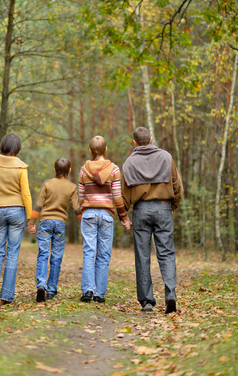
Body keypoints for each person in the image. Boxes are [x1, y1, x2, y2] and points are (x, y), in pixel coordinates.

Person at [121, 126, 183, 314]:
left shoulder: (129, 163)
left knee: (142, 256)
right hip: (163, 207)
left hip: (141, 210)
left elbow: (124, 195)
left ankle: (147, 302)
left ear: (134, 142)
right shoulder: (166, 157)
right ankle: (170, 294)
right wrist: (171, 207)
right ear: (150, 139)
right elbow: (177, 186)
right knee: (166, 253)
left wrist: (124, 215)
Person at [78, 135, 131, 304]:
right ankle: (99, 294)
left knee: (89, 252)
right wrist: (124, 217)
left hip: (88, 214)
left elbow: (80, 196)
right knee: (103, 254)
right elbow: (117, 197)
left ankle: (87, 290)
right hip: (107, 215)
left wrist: (86, 205)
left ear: (90, 151)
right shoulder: (114, 170)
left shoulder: (83, 169)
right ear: (105, 150)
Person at [0, 133, 32, 306]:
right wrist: (30, 215)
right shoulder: (21, 168)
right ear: (17, 148)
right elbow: (25, 193)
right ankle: (7, 296)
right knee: (12, 253)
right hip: (17, 211)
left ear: (3, 146)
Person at [26, 158, 80, 302]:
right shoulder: (72, 187)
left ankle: (41, 284)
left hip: (45, 222)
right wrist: (84, 221)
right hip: (60, 224)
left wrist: (31, 223)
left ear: (55, 170)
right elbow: (76, 209)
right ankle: (51, 290)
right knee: (56, 257)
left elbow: (38, 205)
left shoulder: (48, 184)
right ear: (69, 170)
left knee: (43, 253)